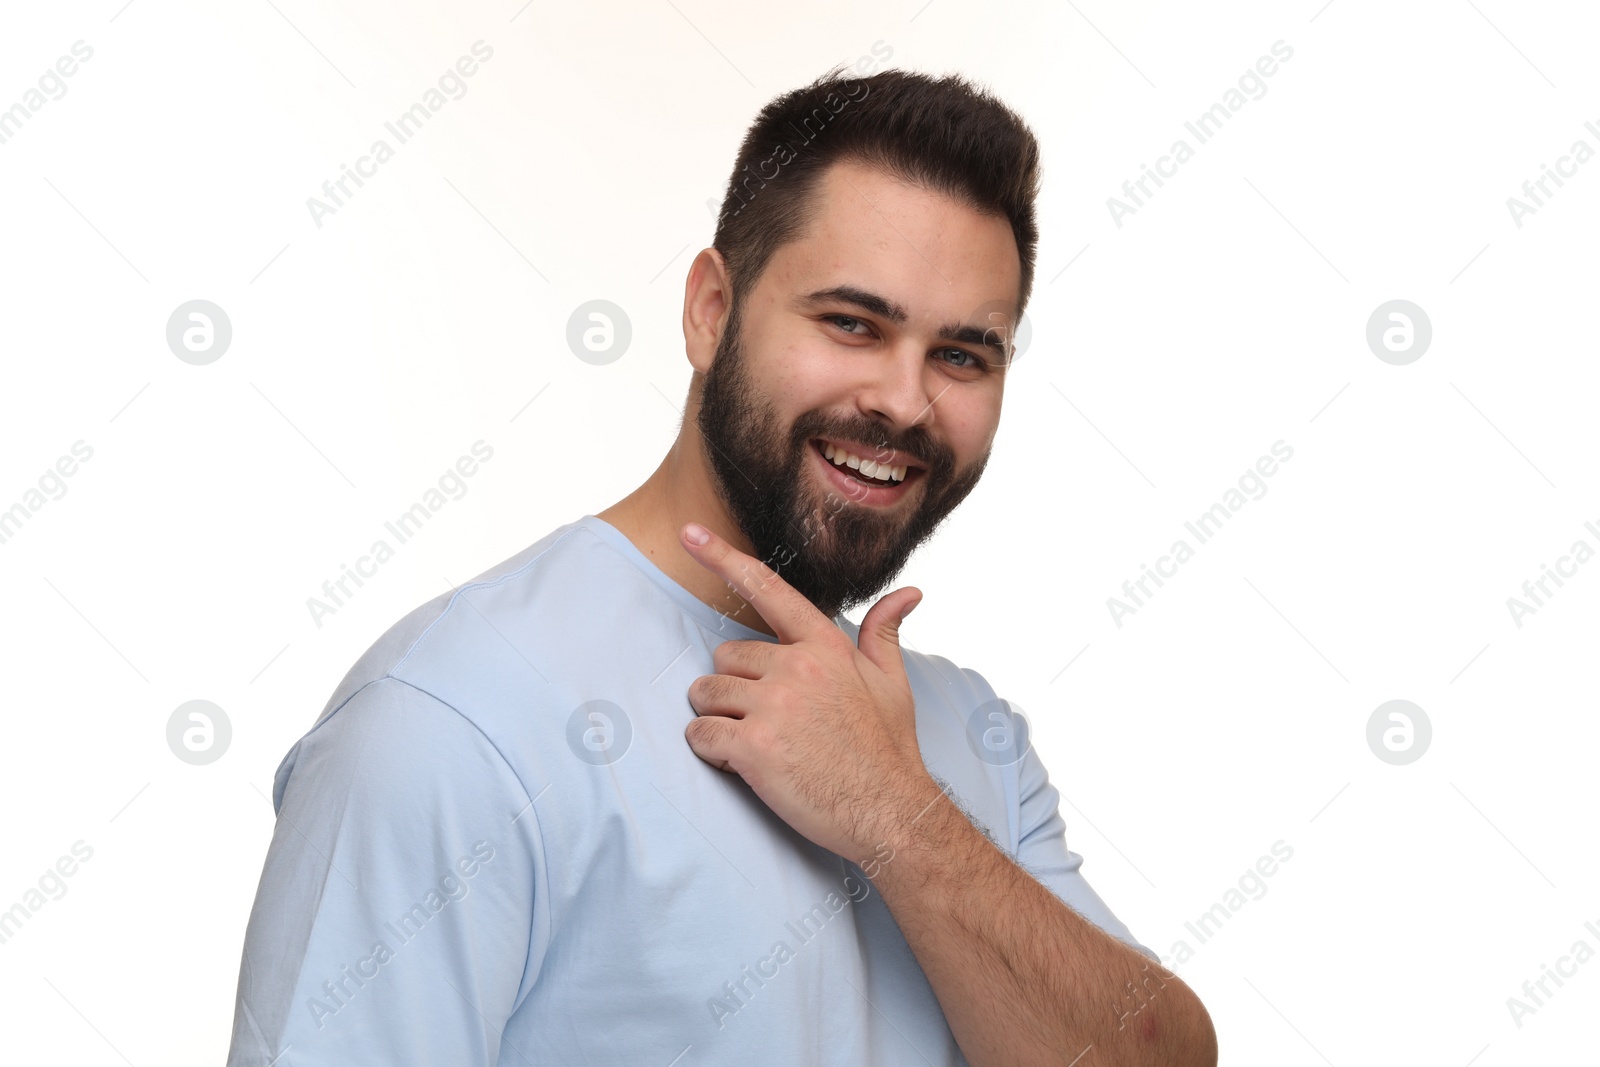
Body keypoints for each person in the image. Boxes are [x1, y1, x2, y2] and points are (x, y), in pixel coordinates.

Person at [225, 65, 1218, 1066]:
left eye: (963, 354)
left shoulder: (964, 733)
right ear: (708, 310)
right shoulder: (457, 718)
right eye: (851, 324)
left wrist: (896, 816)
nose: (906, 402)